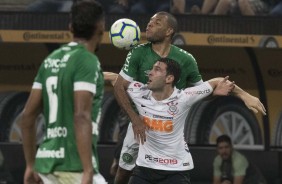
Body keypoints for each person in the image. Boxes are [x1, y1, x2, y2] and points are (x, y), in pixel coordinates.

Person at [125, 58, 266, 183]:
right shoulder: (139, 91)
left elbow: (217, 81)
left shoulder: (184, 97)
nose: (150, 72)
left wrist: (245, 95)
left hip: (176, 170)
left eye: (157, 69)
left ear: (169, 79)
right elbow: (115, 80)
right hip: (145, 168)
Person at [20, 1, 107, 183]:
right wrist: (87, 169)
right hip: (74, 166)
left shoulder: (51, 59)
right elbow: (81, 115)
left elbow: (27, 116)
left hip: (46, 165)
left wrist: (30, 165)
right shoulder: (87, 60)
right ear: (101, 27)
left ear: (70, 27)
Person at [113, 11, 205, 184]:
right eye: (149, 21)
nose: (149, 24)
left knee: (169, 170)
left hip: (167, 125)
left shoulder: (186, 59)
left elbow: (202, 90)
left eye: (157, 22)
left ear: (169, 31)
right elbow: (119, 86)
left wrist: (232, 92)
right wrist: (135, 120)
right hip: (139, 123)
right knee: (123, 170)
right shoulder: (137, 53)